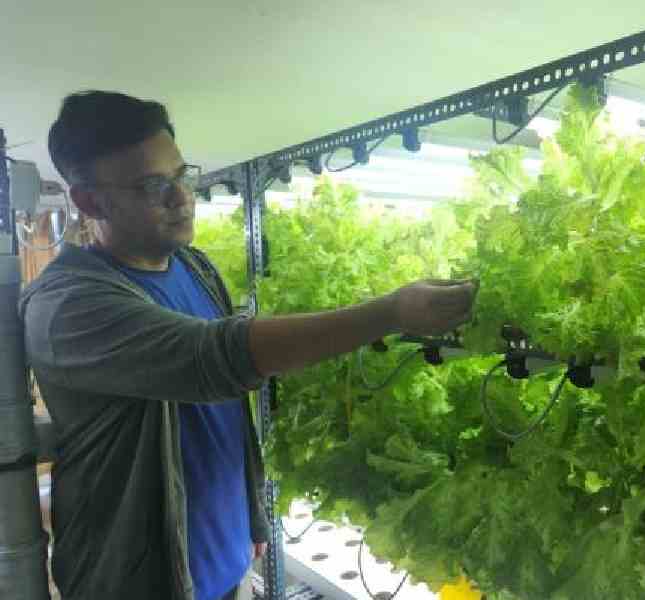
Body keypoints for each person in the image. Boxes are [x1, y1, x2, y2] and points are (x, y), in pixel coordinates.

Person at [19, 91, 477, 600]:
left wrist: (252, 520)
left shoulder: (193, 266)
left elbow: (227, 413)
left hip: (228, 566)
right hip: (142, 583)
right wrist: (390, 313)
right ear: (89, 201)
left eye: (181, 175)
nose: (181, 197)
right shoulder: (69, 305)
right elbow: (216, 360)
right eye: (153, 185)